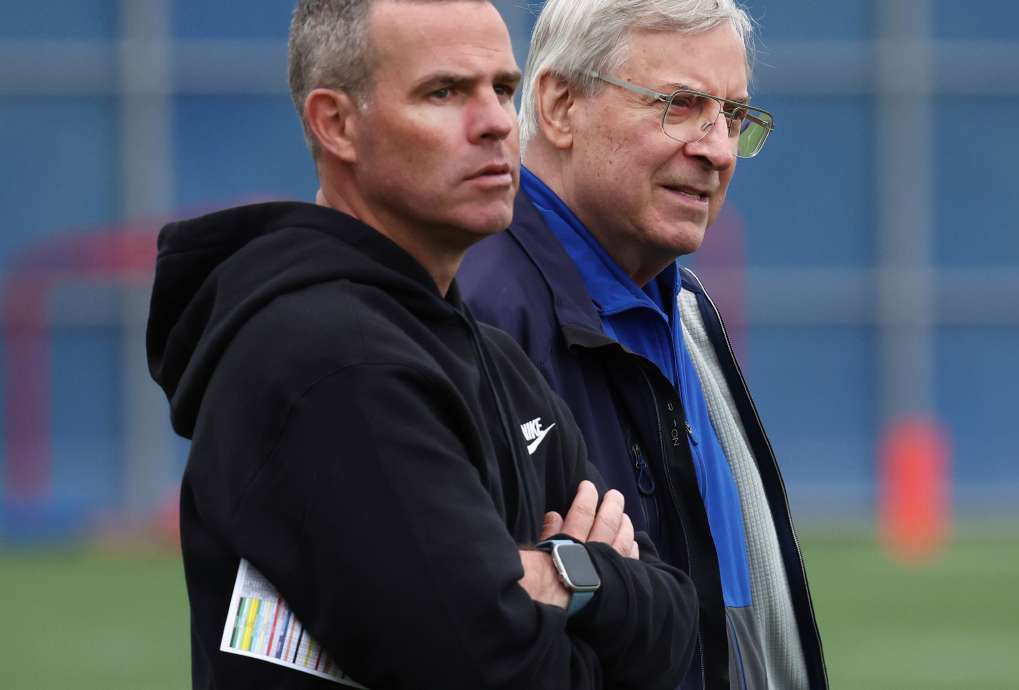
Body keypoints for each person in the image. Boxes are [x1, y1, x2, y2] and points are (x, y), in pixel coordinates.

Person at [145, 1, 698, 688]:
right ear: (335, 123)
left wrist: (564, 575)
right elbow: (503, 675)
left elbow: (677, 631)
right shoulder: (326, 362)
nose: (497, 121)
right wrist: (598, 583)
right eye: (444, 92)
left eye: (502, 88)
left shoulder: (491, 357)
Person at [457, 1, 828, 688]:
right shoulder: (477, 316)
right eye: (680, 105)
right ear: (561, 104)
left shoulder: (685, 310)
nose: (717, 148)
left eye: (733, 116)